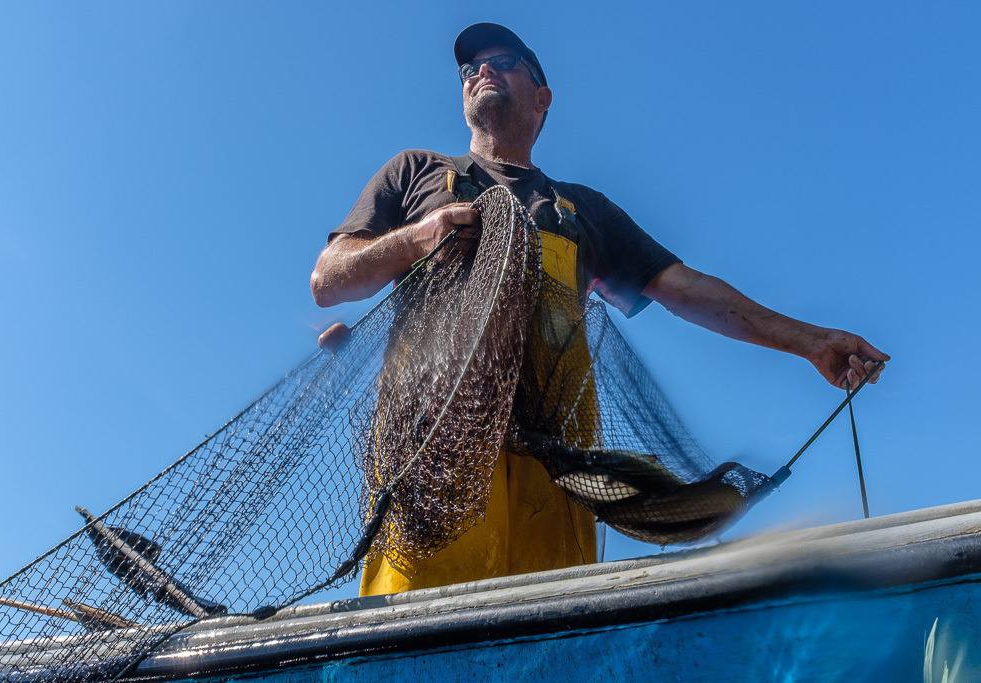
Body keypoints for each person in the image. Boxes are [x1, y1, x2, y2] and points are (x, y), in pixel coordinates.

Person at [310, 23, 888, 597]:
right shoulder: (415, 174)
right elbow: (327, 278)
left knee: (551, 633)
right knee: (419, 633)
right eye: (468, 70)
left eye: (502, 60)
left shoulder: (583, 210)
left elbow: (686, 289)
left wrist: (810, 340)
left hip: (555, 472)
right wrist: (415, 239)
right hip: (435, 455)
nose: (480, 72)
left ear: (542, 98)